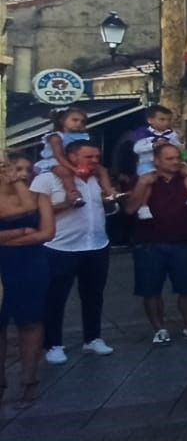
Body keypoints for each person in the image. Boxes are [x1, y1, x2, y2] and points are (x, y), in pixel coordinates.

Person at [33, 143, 114, 363]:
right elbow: (35, 213)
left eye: (97, 156)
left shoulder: (98, 178)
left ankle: (93, 338)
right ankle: (53, 344)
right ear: (71, 156)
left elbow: (102, 207)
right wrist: (65, 205)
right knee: (55, 298)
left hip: (96, 245)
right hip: (61, 247)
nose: (95, 160)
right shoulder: (47, 179)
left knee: (94, 296)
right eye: (89, 156)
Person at [123, 142, 187, 344]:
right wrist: (142, 185)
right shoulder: (144, 178)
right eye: (169, 159)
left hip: (182, 241)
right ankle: (159, 329)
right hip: (149, 243)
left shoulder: (185, 178)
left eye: (177, 157)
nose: (175, 162)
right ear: (156, 161)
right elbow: (129, 209)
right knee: (151, 289)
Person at [0, 153, 56, 404]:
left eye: (27, 169)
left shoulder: (39, 198)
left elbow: (47, 233)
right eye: (16, 168)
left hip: (31, 265)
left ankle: (29, 376)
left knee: (30, 321)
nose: (22, 173)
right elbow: (33, 230)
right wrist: (22, 231)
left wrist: (7, 240)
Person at [36, 107, 116, 210]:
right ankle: (73, 194)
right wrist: (73, 169)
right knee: (65, 172)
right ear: (62, 121)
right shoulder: (56, 137)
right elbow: (59, 155)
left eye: (82, 121)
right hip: (56, 161)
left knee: (102, 170)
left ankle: (109, 191)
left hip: (75, 162)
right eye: (75, 120)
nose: (79, 123)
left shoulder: (82, 136)